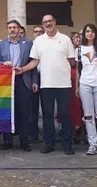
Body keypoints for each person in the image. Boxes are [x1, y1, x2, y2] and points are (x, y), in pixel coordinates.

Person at [22, 14, 76, 155]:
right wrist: (22, 69)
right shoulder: (38, 40)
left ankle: (67, 144)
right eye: (45, 22)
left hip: (64, 83)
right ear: (43, 24)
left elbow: (72, 60)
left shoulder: (65, 39)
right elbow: (35, 61)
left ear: (54, 22)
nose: (48, 23)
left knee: (65, 114)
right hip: (46, 84)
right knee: (47, 114)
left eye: (50, 21)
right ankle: (48, 143)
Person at [0, 20, 37, 152]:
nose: (12, 30)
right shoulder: (2, 44)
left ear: (19, 29)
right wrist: (3, 63)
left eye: (14, 27)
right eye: (10, 27)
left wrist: (34, 81)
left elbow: (33, 63)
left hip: (23, 79)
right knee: (7, 110)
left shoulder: (28, 43)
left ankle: (24, 141)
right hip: (7, 81)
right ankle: (7, 141)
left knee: (24, 111)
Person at [76, 23, 97, 155]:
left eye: (92, 31)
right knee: (88, 116)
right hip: (85, 84)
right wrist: (77, 85)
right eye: (87, 31)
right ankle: (92, 144)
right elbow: (78, 69)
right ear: (84, 34)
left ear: (96, 33)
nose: (89, 33)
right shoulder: (79, 49)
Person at [68, 31, 84, 145]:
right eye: (75, 37)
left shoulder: (83, 49)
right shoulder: (67, 50)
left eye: (79, 37)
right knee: (71, 107)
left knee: (82, 107)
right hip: (69, 80)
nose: (78, 39)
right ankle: (72, 132)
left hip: (81, 79)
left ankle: (82, 133)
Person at [29, 25, 45, 141]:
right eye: (36, 31)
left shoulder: (47, 44)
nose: (38, 33)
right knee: (33, 107)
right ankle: (33, 133)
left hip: (46, 77)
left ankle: (47, 133)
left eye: (40, 31)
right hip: (34, 78)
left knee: (46, 107)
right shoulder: (30, 45)